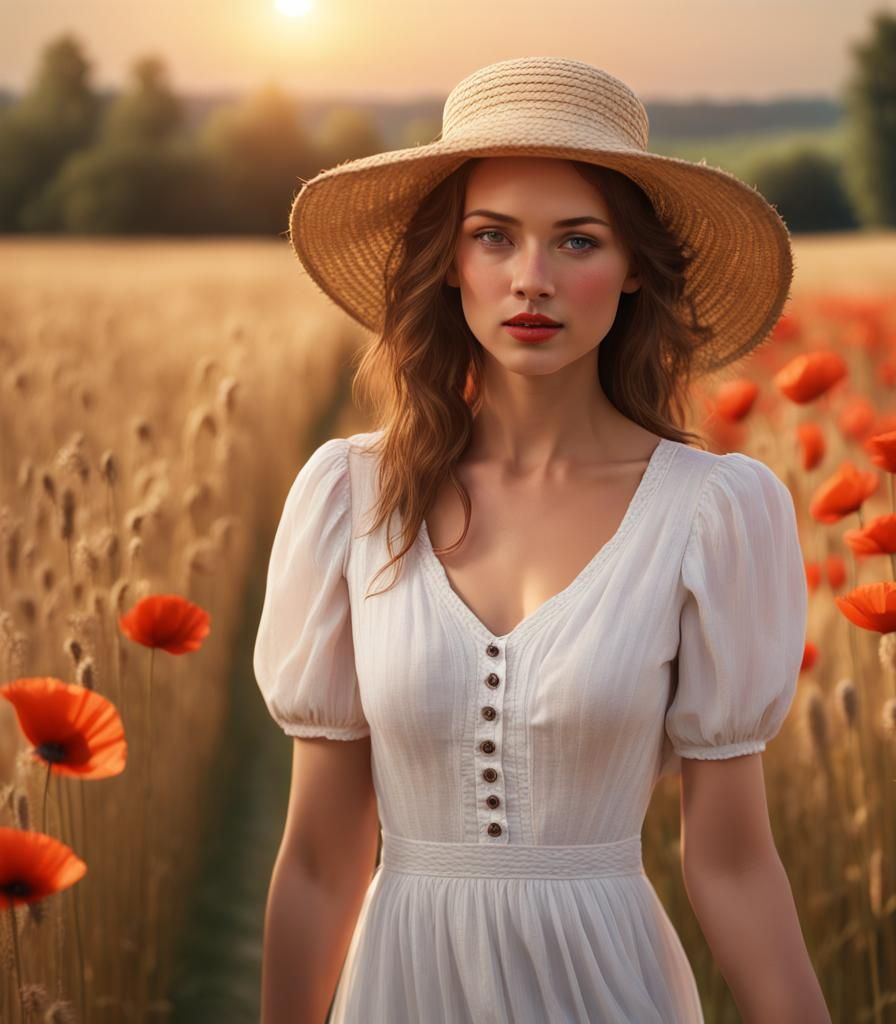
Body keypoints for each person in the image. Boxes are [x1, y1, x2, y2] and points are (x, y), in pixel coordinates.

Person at [254, 56, 829, 1023]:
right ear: (451, 261)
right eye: (494, 237)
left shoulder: (710, 514)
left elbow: (732, 865)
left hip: (612, 991)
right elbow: (319, 858)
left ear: (634, 266)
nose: (532, 280)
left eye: (577, 240)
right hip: (403, 991)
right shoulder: (352, 499)